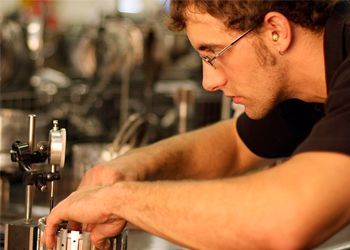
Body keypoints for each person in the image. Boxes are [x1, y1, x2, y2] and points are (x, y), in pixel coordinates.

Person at [43, 0, 350, 249]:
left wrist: (119, 200)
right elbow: (235, 145)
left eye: (213, 54)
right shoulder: (310, 83)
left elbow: (286, 220)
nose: (209, 82)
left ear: (276, 31)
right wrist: (128, 169)